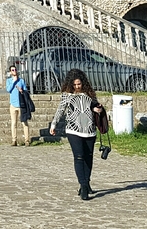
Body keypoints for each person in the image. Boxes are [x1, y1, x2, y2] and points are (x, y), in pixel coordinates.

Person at [50, 69, 105, 201]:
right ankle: (83, 185)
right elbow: (60, 110)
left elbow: (95, 107)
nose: (77, 87)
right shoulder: (66, 95)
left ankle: (86, 181)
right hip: (73, 130)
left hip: (89, 130)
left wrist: (98, 109)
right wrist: (53, 124)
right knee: (79, 156)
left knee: (89, 157)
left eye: (79, 84)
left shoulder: (90, 94)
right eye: (74, 85)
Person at [6, 64, 31, 146]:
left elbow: (26, 91)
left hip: (21, 104)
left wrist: (22, 91)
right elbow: (8, 90)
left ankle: (27, 140)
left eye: (15, 70)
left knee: (24, 122)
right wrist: (13, 81)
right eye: (12, 70)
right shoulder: (9, 81)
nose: (14, 71)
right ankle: (14, 140)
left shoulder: (21, 81)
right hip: (13, 105)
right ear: (10, 72)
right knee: (14, 123)